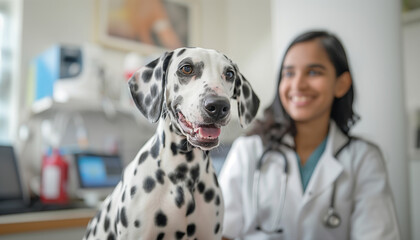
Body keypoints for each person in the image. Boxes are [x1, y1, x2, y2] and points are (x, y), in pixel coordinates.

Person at [219, 30, 401, 240]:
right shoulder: (249, 149)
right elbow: (220, 231)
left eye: (314, 72)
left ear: (341, 83)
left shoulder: (364, 159)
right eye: (288, 73)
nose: (298, 85)